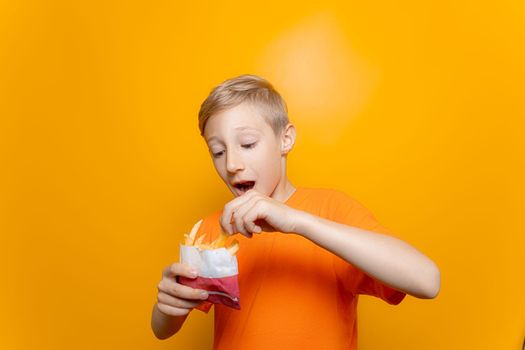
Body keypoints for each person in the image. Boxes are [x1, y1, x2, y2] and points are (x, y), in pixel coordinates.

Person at [151, 74, 440, 349]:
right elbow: (162, 330)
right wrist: (168, 306)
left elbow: (427, 280)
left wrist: (297, 221)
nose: (231, 164)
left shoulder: (332, 210)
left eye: (248, 144)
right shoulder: (212, 229)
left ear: (285, 139)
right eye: (218, 151)